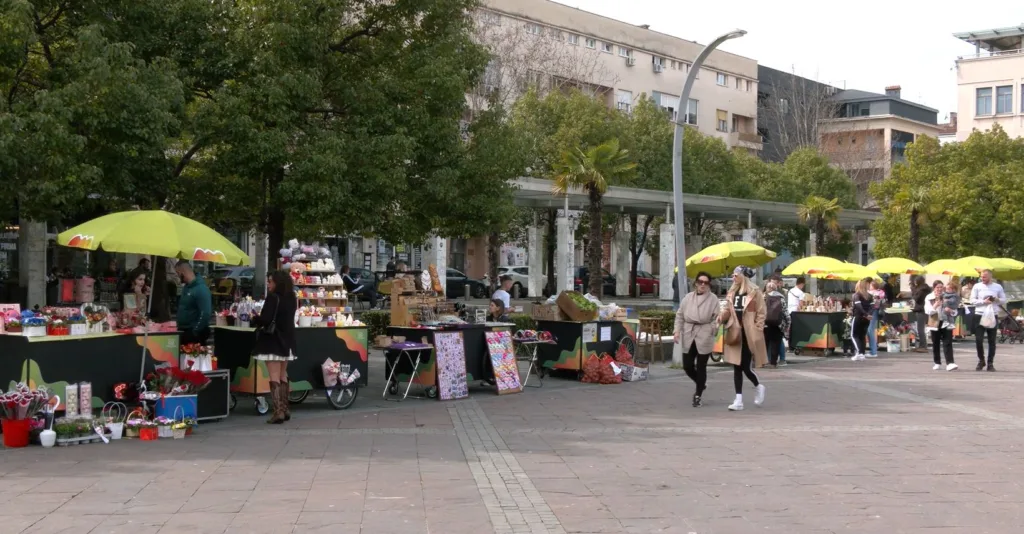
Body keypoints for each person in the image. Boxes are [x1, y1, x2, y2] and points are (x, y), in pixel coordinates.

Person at [251, 270, 298, 424]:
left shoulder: (273, 298)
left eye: (270, 281)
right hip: (287, 341)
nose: (268, 284)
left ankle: (278, 412)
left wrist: (255, 318)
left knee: (274, 376)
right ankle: (285, 408)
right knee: (283, 375)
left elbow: (266, 319)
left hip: (273, 341)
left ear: (278, 282)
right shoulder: (292, 297)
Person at [720, 266, 767, 411]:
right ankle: (738, 399)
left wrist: (757, 328)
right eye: (733, 275)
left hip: (749, 333)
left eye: (736, 275)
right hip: (735, 331)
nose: (733, 278)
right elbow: (728, 310)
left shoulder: (755, 291)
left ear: (743, 276)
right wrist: (721, 317)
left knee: (745, 366)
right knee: (736, 365)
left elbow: (761, 312)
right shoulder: (732, 292)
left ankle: (758, 386)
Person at [674, 271, 719, 407]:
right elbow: (680, 315)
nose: (703, 285)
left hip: (704, 333)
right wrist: (677, 331)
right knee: (687, 366)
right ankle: (701, 383)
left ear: (709, 285)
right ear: (696, 283)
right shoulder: (688, 297)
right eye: (700, 282)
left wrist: (713, 329)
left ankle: (698, 395)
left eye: (706, 282)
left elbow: (717, 317)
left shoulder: (713, 299)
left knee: (701, 366)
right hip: (689, 332)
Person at [971, 269, 1006, 371]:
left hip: (992, 314)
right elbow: (972, 300)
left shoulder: (997, 287)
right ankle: (981, 360)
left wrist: (997, 299)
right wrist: (983, 301)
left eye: (984, 277)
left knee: (992, 340)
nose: (982, 278)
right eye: (981, 276)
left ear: (990, 277)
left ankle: (990, 363)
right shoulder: (977, 286)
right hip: (979, 314)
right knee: (979, 339)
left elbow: (1004, 300)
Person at [174, 261, 212, 345]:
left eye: (177, 273)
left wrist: (195, 331)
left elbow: (205, 313)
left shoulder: (201, 289)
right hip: (184, 330)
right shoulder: (186, 288)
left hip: (193, 332)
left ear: (182, 272)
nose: (177, 276)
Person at [925, 279, 959, 371]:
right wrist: (935, 305)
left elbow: (955, 310)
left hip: (946, 321)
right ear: (934, 288)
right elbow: (927, 311)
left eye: (941, 287)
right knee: (935, 343)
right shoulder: (929, 297)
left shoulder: (947, 296)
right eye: (937, 287)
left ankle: (950, 363)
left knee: (948, 342)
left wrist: (951, 311)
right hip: (934, 322)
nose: (939, 289)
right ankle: (937, 362)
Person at [763, 280, 790, 368]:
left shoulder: (764, 297)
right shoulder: (781, 298)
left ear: (767, 289)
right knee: (776, 343)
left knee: (765, 343)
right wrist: (788, 323)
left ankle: (763, 362)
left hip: (765, 324)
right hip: (778, 324)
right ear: (776, 289)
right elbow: (785, 312)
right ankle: (773, 363)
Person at [850, 278, 874, 361]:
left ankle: (859, 353)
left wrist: (865, 314)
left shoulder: (856, 295)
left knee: (854, 335)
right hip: (867, 319)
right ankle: (862, 354)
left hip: (858, 317)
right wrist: (868, 315)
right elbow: (872, 307)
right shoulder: (870, 296)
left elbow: (858, 306)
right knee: (862, 336)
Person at [867, 280, 887, 358]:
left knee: (870, 330)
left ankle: (873, 351)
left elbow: (875, 302)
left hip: (873, 311)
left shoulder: (874, 293)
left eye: (870, 285)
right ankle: (872, 350)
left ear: (873, 286)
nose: (869, 287)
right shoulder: (881, 292)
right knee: (870, 330)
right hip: (875, 312)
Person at [911, 275, 931, 352]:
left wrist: (913, 290)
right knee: (920, 329)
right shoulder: (924, 288)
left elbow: (917, 298)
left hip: (921, 309)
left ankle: (923, 346)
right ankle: (921, 345)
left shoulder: (922, 290)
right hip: (922, 309)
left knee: (920, 329)